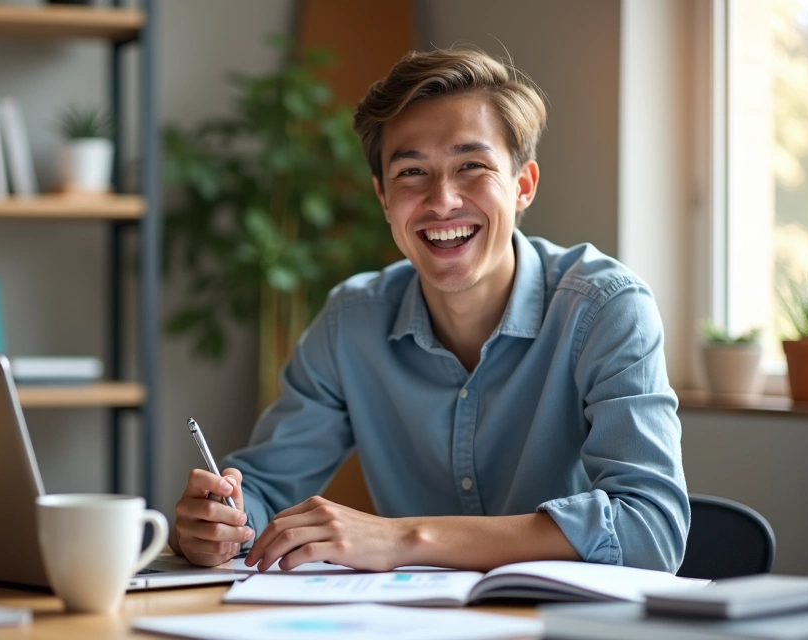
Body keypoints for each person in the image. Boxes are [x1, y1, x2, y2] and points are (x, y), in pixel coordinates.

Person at [168, 47, 689, 574]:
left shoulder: (606, 308)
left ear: (523, 185)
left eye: (472, 166)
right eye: (412, 172)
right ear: (384, 198)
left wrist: (406, 538)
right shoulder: (351, 322)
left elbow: (651, 530)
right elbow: (263, 488)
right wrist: (220, 525)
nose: (442, 201)